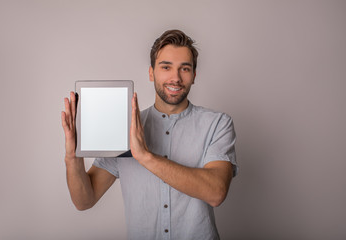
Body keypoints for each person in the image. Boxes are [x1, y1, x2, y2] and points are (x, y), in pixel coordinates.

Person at [61, 29, 237, 240]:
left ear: (194, 76)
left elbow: (216, 192)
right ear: (151, 72)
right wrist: (72, 157)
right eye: (166, 67)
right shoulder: (124, 128)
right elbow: (84, 201)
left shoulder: (217, 124)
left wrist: (144, 156)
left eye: (185, 68)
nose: (176, 77)